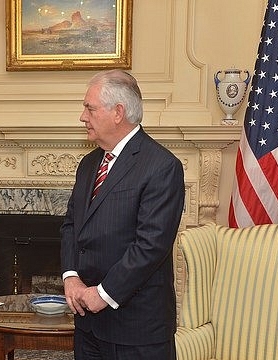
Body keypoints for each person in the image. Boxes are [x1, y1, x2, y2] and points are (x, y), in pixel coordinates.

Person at [60, 69, 185, 360]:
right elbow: (71, 226)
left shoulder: (162, 167)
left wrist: (102, 294)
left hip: (136, 329)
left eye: (89, 108)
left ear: (118, 112)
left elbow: (150, 247)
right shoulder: (89, 163)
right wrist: (71, 277)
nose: (82, 116)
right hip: (88, 325)